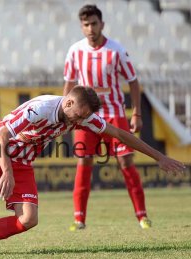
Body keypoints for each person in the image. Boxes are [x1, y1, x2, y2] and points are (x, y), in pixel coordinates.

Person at [0, 85, 185, 257]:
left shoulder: (82, 115)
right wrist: (7, 172)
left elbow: (119, 134)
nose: (83, 121)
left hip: (22, 159)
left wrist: (159, 156)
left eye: (86, 117)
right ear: (69, 102)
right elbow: (1, 135)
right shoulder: (41, 108)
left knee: (28, 219)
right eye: (80, 115)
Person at [63, 4, 150, 231]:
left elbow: (133, 80)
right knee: (84, 162)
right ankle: (79, 219)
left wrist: (136, 113)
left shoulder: (116, 50)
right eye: (86, 24)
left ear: (102, 24)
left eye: (93, 23)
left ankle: (142, 216)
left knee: (125, 162)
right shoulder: (75, 51)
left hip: (114, 113)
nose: (90, 28)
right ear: (81, 27)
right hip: (84, 116)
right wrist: (65, 112)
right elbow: (70, 83)